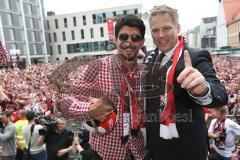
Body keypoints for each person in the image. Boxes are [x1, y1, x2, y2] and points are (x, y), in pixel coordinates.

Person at [144, 5, 228, 160]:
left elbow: (220, 95)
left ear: (178, 28)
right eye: (155, 30)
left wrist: (203, 89)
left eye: (166, 28)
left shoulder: (195, 56)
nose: (160, 35)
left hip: (187, 149)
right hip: (156, 147)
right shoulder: (149, 57)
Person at [60, 15, 146, 160]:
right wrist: (88, 110)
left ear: (142, 42)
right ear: (115, 39)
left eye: (135, 38)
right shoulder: (98, 66)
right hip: (105, 153)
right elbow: (65, 99)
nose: (129, 42)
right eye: (123, 37)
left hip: (136, 152)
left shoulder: (144, 71)